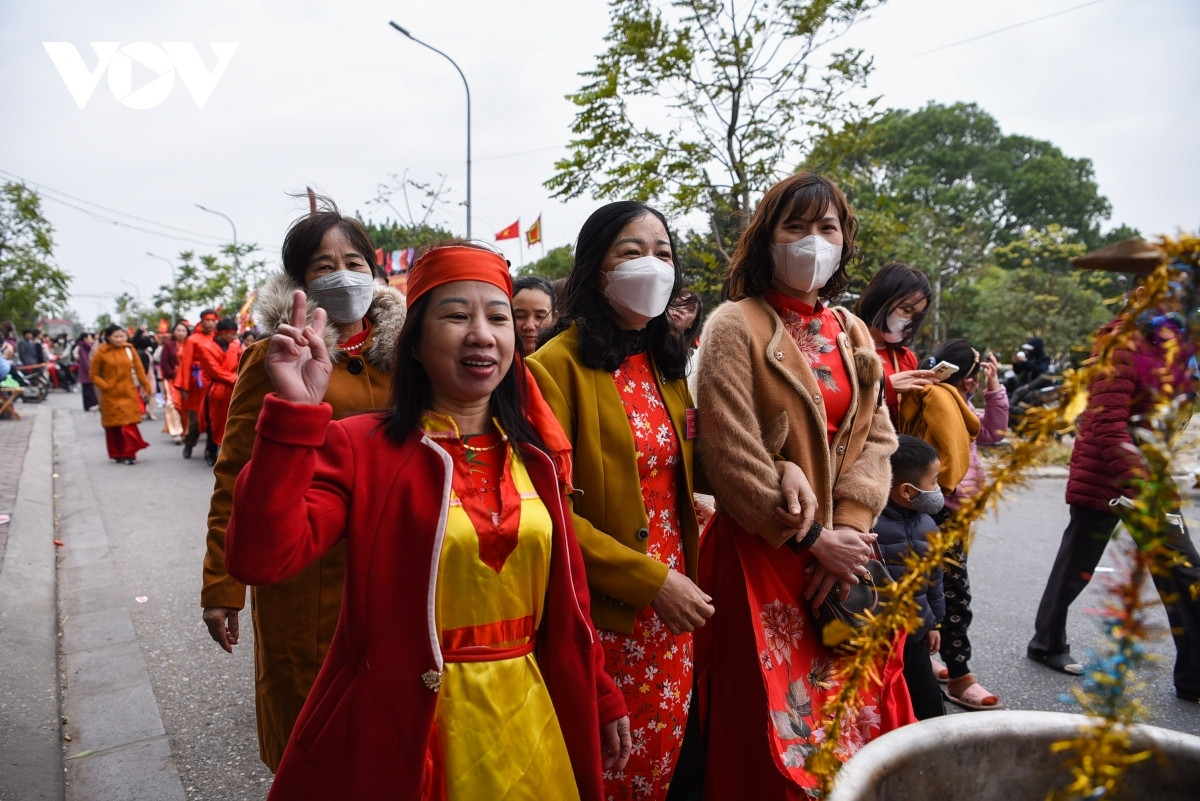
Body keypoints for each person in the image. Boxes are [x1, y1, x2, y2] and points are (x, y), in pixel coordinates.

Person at [224, 243, 631, 799]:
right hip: (414, 729)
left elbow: (571, 601)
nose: (482, 334)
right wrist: (295, 414)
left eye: (498, 317)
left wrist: (601, 694)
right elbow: (260, 557)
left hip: (529, 715)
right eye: (457, 316)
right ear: (413, 341)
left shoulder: (533, 457)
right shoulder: (361, 448)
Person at [694, 171, 913, 797]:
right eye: (796, 227)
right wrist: (811, 539)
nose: (812, 241)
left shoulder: (852, 329)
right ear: (767, 238)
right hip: (765, 554)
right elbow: (731, 456)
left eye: (827, 228)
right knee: (775, 732)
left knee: (856, 723)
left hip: (843, 558)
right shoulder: (734, 325)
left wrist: (848, 532)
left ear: (845, 242)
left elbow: (877, 438)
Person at [200, 197, 406, 771]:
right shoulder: (274, 356)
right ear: (299, 281)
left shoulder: (412, 356)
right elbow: (237, 472)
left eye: (354, 261)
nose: (343, 274)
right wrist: (222, 584)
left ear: (374, 268)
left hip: (399, 570)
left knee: (394, 739)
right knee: (313, 741)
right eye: (323, 265)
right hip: (302, 576)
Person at [528, 201, 711, 801]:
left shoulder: (670, 363)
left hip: (675, 611)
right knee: (604, 771)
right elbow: (549, 512)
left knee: (657, 768)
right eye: (631, 252)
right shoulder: (552, 368)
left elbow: (687, 466)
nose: (650, 265)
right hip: (606, 612)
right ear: (595, 268)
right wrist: (650, 580)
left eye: (662, 253)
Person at [1029, 269, 1200, 703]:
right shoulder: (1119, 343)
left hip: (1150, 475)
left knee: (1183, 572)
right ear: (1142, 294)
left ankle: (1195, 677)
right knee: (1076, 568)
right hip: (1109, 476)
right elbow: (1107, 425)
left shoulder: (1175, 347)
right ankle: (1047, 644)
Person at [899, 338, 1001, 711]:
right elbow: (949, 458)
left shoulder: (958, 402)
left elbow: (991, 433)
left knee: (937, 588)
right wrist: (946, 490)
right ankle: (960, 676)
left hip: (952, 509)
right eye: (973, 377)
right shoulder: (940, 399)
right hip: (941, 507)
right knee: (950, 593)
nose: (974, 384)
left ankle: (932, 660)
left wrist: (995, 391)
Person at [877, 435, 946, 720]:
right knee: (887, 705)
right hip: (880, 642)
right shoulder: (871, 526)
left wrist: (934, 623)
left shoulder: (929, 525)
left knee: (929, 704)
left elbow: (935, 581)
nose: (938, 489)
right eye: (934, 481)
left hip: (916, 636)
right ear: (907, 490)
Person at [854, 261, 939, 425]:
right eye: (906, 310)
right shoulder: (842, 343)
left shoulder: (906, 358)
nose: (909, 321)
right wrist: (887, 389)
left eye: (916, 316)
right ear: (881, 298)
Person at [89, 325, 153, 464]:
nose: (119, 339)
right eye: (116, 336)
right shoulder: (101, 352)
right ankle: (116, 452)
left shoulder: (129, 349)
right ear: (108, 337)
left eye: (122, 336)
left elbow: (140, 370)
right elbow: (93, 375)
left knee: (128, 424)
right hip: (110, 394)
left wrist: (147, 387)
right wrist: (105, 386)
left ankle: (130, 453)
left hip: (128, 392)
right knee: (113, 426)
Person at [197, 317, 243, 466]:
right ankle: (210, 451)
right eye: (232, 333)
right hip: (216, 389)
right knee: (214, 422)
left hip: (234, 389)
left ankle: (230, 452)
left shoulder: (235, 346)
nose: (234, 337)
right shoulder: (206, 347)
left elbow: (243, 361)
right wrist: (235, 378)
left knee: (233, 421)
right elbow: (215, 371)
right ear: (222, 333)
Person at [175, 310, 218, 459]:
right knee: (195, 417)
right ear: (202, 321)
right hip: (196, 383)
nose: (211, 323)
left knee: (213, 416)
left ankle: (211, 449)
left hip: (213, 381)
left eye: (214, 320)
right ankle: (189, 444)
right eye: (208, 320)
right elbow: (186, 363)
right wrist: (184, 386)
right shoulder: (192, 339)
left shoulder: (217, 338)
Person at [159, 322, 189, 443]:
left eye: (183, 330)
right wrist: (172, 374)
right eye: (178, 330)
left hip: (187, 379)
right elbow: (164, 362)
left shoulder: (191, 344)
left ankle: (186, 430)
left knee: (186, 405)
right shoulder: (168, 345)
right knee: (172, 403)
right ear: (174, 332)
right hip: (172, 378)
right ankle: (176, 431)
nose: (181, 333)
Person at [512, 274, 557, 355]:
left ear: (555, 318)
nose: (529, 326)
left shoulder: (564, 363)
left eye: (539, 317)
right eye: (520, 316)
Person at [73, 332, 98, 411]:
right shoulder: (82, 347)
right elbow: (84, 360)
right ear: (85, 339)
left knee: (90, 389)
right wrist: (90, 369)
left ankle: (90, 404)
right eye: (89, 337)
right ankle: (88, 405)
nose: (91, 339)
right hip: (86, 371)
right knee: (87, 390)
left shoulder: (88, 346)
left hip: (89, 370)